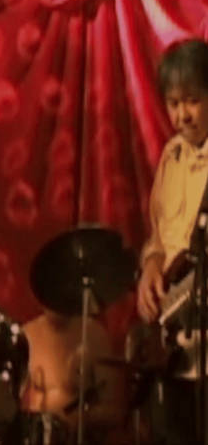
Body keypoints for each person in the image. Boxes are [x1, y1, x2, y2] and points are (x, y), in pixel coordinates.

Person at [136, 37, 208, 444]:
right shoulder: (171, 156)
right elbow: (158, 237)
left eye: (193, 101)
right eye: (174, 103)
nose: (182, 115)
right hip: (170, 342)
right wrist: (150, 267)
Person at [20, 310, 125, 444]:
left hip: (79, 438)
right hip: (36, 437)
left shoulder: (94, 335)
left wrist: (82, 418)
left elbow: (115, 411)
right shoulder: (27, 335)